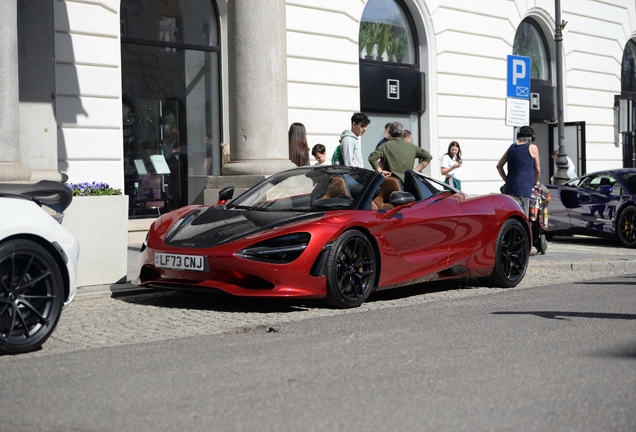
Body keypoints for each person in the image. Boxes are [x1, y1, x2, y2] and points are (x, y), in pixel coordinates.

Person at [496, 126, 541, 215]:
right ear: (532, 137)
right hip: (523, 189)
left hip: (509, 188)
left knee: (511, 216)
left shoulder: (511, 147)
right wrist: (535, 182)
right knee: (523, 217)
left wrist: (507, 180)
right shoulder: (532, 147)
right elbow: (538, 169)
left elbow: (499, 166)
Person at [368, 121, 432, 183]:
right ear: (402, 133)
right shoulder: (412, 147)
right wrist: (414, 171)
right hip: (408, 184)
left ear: (389, 133)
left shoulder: (385, 146)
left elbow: (372, 158)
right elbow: (428, 157)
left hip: (390, 184)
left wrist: (381, 172)